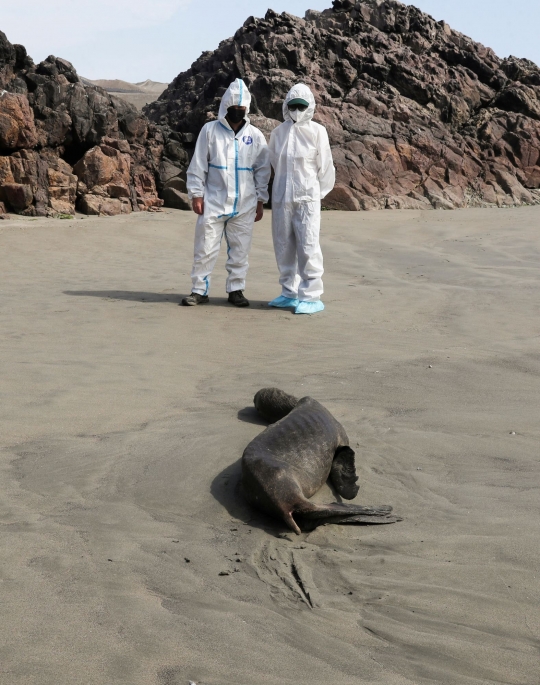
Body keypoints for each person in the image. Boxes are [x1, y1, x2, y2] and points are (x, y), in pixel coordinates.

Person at [182, 78, 271, 307]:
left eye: (241, 109)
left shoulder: (256, 136)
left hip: (245, 204)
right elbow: (198, 164)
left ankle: (236, 290)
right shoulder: (210, 131)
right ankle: (199, 290)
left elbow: (262, 170)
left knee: (240, 249)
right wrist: (196, 195)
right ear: (225, 107)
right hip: (213, 200)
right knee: (205, 247)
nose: (237, 112)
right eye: (234, 108)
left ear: (247, 108)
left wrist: (261, 200)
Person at [268, 83, 335, 315]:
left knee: (308, 245)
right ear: (287, 106)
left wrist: (316, 195)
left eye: (301, 106)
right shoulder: (278, 133)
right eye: (293, 106)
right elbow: (275, 163)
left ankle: (311, 295)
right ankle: (289, 292)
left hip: (307, 199)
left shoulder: (318, 132)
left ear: (309, 107)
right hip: (281, 199)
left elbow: (325, 167)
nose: (297, 110)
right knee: (283, 245)